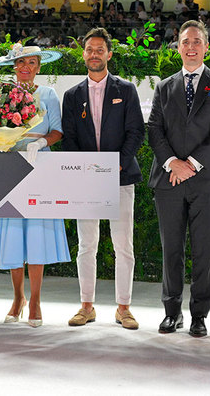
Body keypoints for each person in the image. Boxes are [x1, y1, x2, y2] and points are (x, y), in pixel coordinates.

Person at [147, 20, 210, 337]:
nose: (191, 47)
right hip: (169, 180)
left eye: (197, 41)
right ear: (178, 47)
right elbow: (154, 129)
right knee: (171, 249)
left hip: (207, 180)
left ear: (207, 47)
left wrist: (192, 164)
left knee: (204, 251)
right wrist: (173, 163)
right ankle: (172, 313)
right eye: (185, 41)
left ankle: (199, 315)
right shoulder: (164, 86)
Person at [0, 45, 68, 327]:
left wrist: (41, 142)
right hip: (9, 165)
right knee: (13, 233)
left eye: (31, 62)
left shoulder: (48, 94)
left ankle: (36, 300)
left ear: (39, 66)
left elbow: (57, 131)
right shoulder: (2, 93)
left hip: (40, 166)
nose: (26, 67)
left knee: (37, 233)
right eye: (21, 62)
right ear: (14, 66)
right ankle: (18, 298)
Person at [61, 28, 144, 330]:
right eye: (89, 50)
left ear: (109, 54)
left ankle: (124, 308)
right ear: (83, 55)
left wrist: (116, 166)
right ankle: (86, 306)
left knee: (123, 246)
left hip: (120, 178)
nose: (94, 54)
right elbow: (69, 138)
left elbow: (136, 132)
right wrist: (85, 170)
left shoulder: (127, 90)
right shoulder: (72, 96)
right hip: (86, 182)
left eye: (99, 50)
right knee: (87, 245)